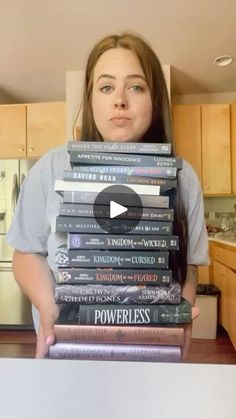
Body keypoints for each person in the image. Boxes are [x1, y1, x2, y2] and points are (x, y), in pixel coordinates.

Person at [7, 32, 208, 359]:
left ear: (154, 98)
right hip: (68, 351)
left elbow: (190, 265)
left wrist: (181, 313)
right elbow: (26, 252)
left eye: (136, 86)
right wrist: (47, 307)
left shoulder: (183, 179)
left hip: (151, 353)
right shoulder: (52, 167)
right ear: (91, 99)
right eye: (106, 87)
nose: (119, 100)